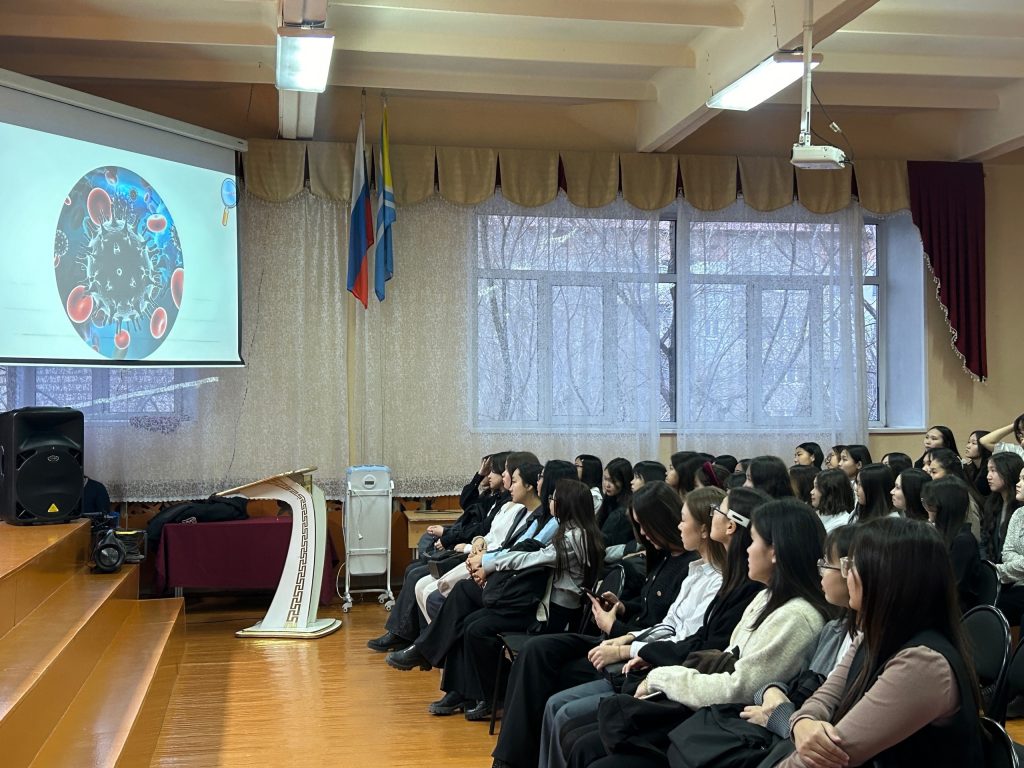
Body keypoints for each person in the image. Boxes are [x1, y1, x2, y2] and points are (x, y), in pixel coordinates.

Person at [560, 499, 832, 768]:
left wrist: (660, 676)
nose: (747, 549)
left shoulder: (796, 617)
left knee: (587, 743)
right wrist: (639, 648)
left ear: (775, 552)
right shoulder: (766, 596)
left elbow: (738, 689)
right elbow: (722, 657)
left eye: (753, 541)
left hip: (723, 732)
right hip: (705, 709)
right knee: (579, 732)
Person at [522, 487, 769, 768]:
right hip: (653, 657)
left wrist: (626, 643)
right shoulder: (693, 568)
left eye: (683, 520)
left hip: (672, 678)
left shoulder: (730, 583)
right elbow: (673, 627)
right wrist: (625, 634)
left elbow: (703, 649)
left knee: (567, 716)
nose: (643, 533)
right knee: (543, 659)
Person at [490, 481, 700, 768]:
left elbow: (664, 631)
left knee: (545, 671)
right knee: (536, 651)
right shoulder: (663, 556)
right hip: (620, 637)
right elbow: (649, 610)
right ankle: (508, 758)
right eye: (639, 527)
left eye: (646, 526)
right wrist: (622, 607)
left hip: (633, 651)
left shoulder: (689, 567)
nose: (643, 535)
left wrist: (615, 629)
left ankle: (515, 759)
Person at [773, 518, 984, 768]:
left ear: (887, 578)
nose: (846, 575)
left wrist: (799, 728)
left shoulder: (923, 664)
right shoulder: (873, 635)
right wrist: (802, 723)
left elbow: (834, 755)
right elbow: (824, 697)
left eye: (853, 565)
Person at [367, 452, 513, 653]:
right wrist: (478, 476)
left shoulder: (505, 503)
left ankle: (410, 639)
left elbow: (480, 530)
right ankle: (407, 635)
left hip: (471, 552)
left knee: (416, 574)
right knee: (413, 567)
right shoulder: (491, 496)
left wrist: (447, 535)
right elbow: (466, 502)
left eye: (493, 472)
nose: (489, 476)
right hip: (466, 544)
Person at [922, 477, 982, 613]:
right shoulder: (941, 534)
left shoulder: (963, 541)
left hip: (955, 610)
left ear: (945, 506)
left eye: (931, 504)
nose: (927, 508)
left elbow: (952, 587)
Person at [995, 465, 1024, 632]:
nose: (1018, 484)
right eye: (1019, 478)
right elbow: (1006, 552)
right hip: (1016, 583)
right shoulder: (1019, 513)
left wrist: (997, 571)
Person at [983, 452, 1024, 562]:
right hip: (994, 567)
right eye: (988, 471)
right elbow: (984, 539)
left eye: (993, 470)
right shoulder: (992, 503)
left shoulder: (1020, 509)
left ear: (1008, 471)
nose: (988, 476)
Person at [599, 458, 635, 546]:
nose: (607, 485)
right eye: (605, 479)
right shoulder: (610, 499)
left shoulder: (623, 511)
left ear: (624, 481)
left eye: (612, 481)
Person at [962, 429, 993, 498]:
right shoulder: (968, 468)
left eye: (974, 443)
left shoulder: (990, 469)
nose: (968, 446)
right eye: (968, 442)